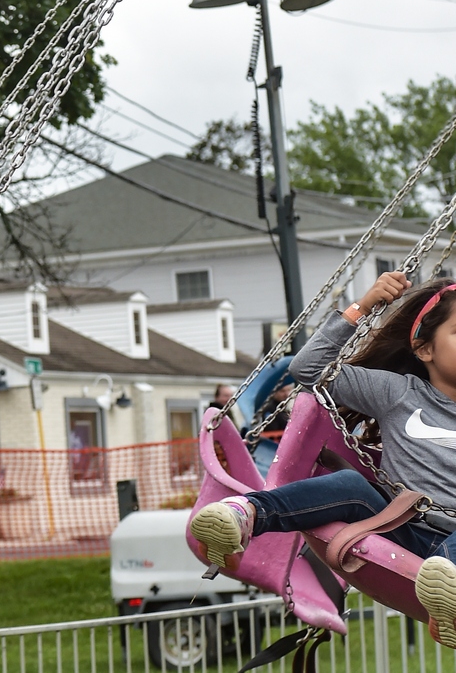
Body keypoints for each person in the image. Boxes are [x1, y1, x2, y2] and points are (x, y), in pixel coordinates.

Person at [189, 271, 456, 648]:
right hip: (402, 524)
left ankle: (449, 597)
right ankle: (245, 514)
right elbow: (308, 370)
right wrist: (362, 308)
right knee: (351, 486)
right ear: (425, 349)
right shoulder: (398, 394)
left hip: (452, 544)